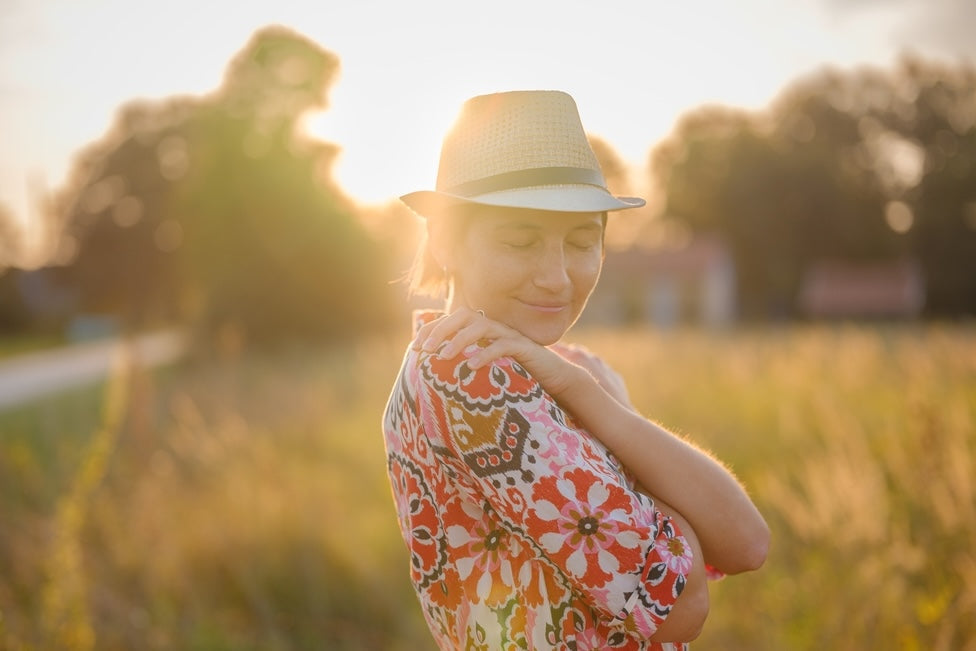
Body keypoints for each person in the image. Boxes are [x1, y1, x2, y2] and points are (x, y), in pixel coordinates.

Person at [382, 90, 769, 650]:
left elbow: (748, 542)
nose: (557, 278)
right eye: (520, 240)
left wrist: (593, 398)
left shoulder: (541, 368)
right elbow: (680, 605)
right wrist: (608, 416)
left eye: (583, 241)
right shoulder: (474, 377)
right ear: (445, 239)